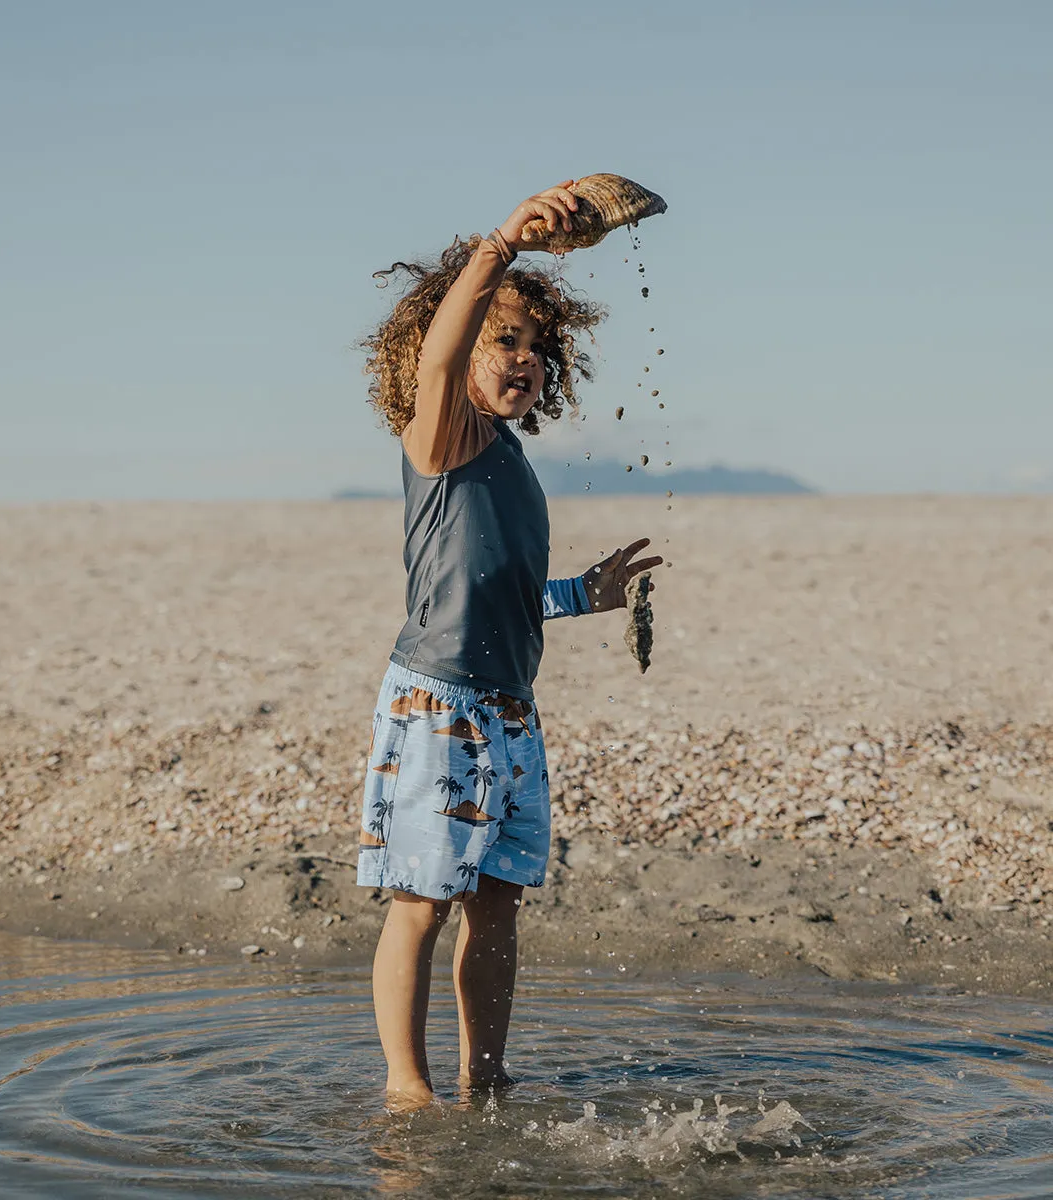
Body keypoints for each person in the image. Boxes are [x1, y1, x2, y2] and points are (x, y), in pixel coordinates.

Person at [357, 181, 662, 1109]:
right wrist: (501, 245)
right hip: (437, 705)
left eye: (537, 345)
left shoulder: (514, 461)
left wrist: (586, 595)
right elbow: (444, 356)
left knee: (498, 906)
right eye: (506, 338)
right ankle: (409, 1090)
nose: (525, 357)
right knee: (422, 901)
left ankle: (483, 1082)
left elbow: (511, 595)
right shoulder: (440, 434)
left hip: (510, 713)